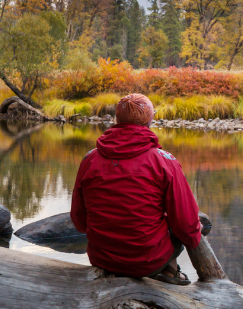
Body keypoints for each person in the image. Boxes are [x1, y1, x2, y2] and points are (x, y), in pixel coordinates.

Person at [71, 94, 202, 285]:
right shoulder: (164, 161)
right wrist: (195, 238)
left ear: (117, 119)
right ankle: (170, 270)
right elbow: (186, 224)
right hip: (148, 261)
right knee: (174, 221)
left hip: (102, 259)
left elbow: (79, 220)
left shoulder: (89, 158)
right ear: (150, 120)